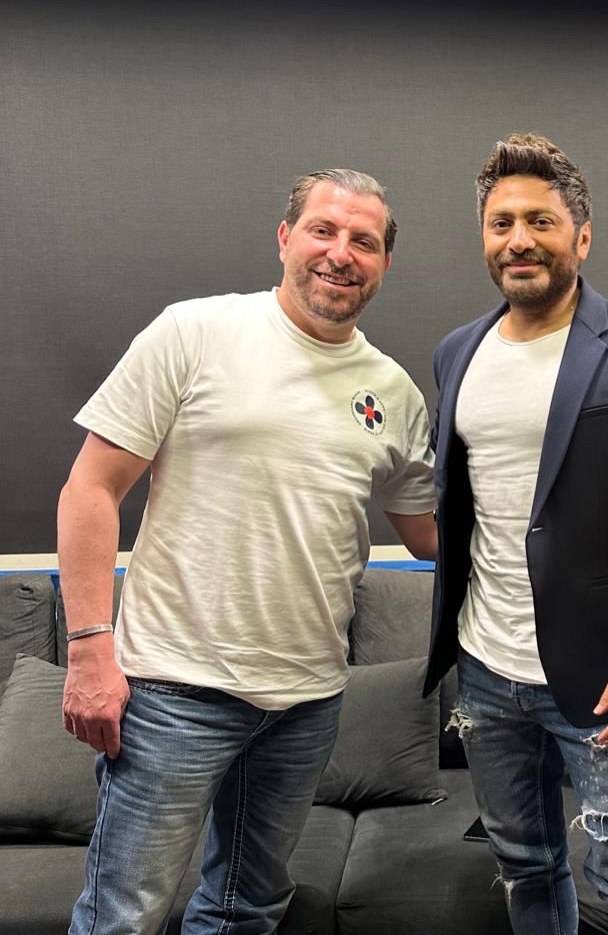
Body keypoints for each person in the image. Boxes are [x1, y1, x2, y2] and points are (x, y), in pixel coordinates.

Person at [58, 169, 436, 935]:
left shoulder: (390, 391)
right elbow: (90, 488)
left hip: (307, 702)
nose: (341, 253)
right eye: (323, 230)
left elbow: (428, 532)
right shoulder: (194, 332)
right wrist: (90, 649)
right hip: (174, 693)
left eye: (363, 241)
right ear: (285, 237)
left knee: (248, 909)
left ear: (384, 263)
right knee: (121, 918)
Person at [421, 133, 608, 935]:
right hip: (484, 669)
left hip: (606, 675)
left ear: (580, 238)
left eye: (539, 221)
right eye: (501, 223)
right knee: (523, 866)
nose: (518, 239)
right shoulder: (456, 354)